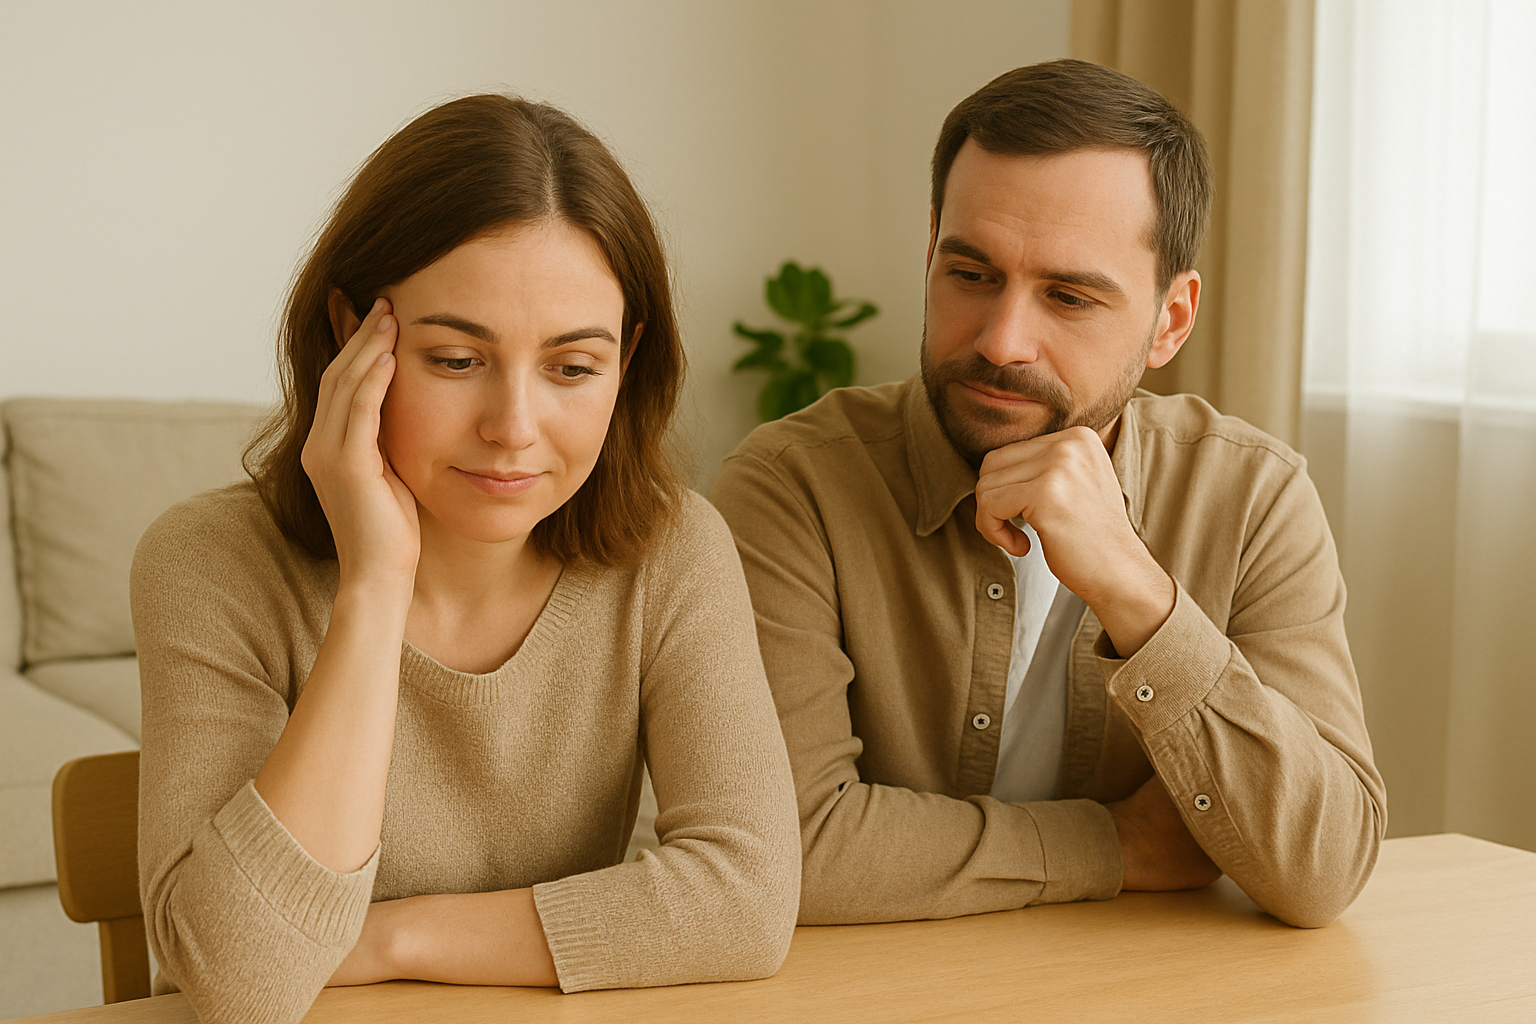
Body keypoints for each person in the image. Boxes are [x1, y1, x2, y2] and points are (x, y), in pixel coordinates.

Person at [131, 95, 799, 1024]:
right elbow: (240, 985)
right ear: (347, 332)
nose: (513, 430)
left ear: (628, 359)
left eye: (571, 369)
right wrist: (372, 587)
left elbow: (746, 902)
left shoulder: (673, 551)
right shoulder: (208, 564)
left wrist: (387, 937)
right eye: (454, 358)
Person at [711, 59, 1386, 929]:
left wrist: (1139, 593)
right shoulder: (793, 485)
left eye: (1068, 297)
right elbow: (781, 849)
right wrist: (1118, 847)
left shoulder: (1254, 498)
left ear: (1169, 321)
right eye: (971, 274)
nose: (1002, 342)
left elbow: (1324, 869)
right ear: (929, 251)